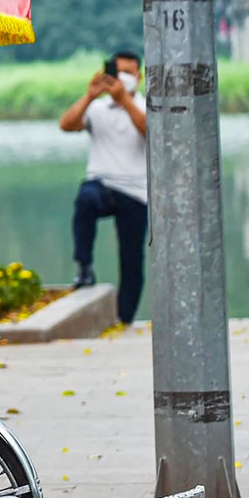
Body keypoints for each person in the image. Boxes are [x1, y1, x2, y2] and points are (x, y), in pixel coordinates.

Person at [59, 50, 148, 324]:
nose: (123, 79)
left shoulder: (146, 106)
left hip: (136, 192)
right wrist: (89, 96)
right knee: (85, 199)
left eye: (128, 73)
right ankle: (84, 267)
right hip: (102, 183)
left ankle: (124, 318)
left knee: (132, 259)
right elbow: (67, 124)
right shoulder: (97, 109)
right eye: (117, 72)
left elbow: (150, 130)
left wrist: (125, 101)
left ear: (139, 77)